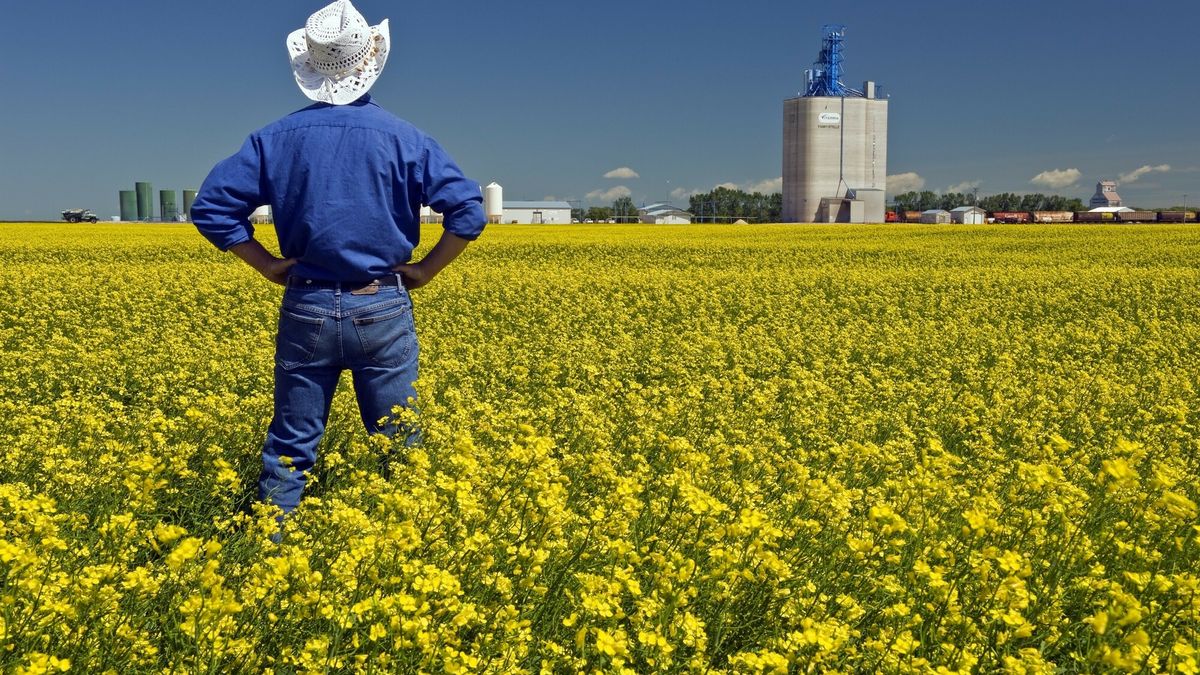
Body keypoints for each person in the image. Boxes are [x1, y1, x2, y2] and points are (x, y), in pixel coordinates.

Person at [191, 0, 486, 519]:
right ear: (370, 57)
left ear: (311, 64)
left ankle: (267, 552)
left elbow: (211, 207)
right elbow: (467, 211)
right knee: (398, 442)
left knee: (291, 442)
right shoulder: (406, 138)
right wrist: (424, 270)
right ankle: (409, 550)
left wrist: (263, 262)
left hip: (306, 305)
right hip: (382, 307)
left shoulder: (273, 139)